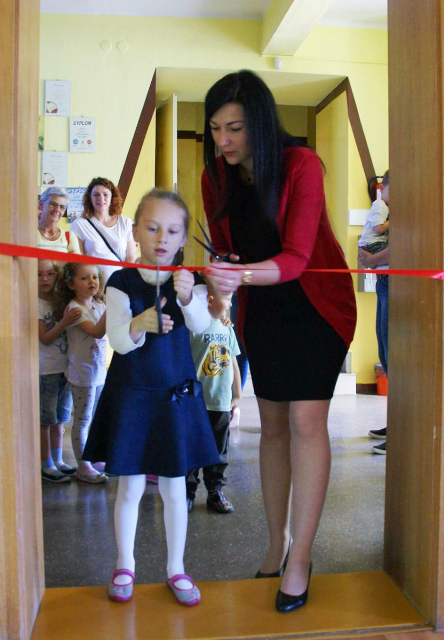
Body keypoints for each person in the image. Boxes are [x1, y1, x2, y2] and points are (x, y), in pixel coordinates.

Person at [201, 70, 357, 613]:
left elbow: (295, 259)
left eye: (235, 128)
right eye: (215, 128)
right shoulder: (216, 177)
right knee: (270, 427)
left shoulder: (301, 164)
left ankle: (301, 558)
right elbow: (224, 248)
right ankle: (276, 543)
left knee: (305, 423)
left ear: (262, 124)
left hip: (315, 306)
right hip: (262, 310)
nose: (223, 140)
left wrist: (235, 275)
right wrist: (220, 271)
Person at [82, 188, 220, 606]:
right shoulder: (121, 281)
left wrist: (187, 296)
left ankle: (176, 568)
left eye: (173, 231)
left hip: (174, 398)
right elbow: (118, 342)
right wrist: (140, 323)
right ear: (136, 231)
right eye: (153, 227)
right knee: (130, 487)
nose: (162, 237)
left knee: (175, 489)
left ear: (183, 239)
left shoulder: (189, 280)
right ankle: (125, 563)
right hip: (133, 396)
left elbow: (200, 325)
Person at [186, 286, 241, 514]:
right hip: (197, 401)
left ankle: (215, 491)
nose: (230, 303)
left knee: (219, 450)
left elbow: (234, 362)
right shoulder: (193, 327)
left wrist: (237, 394)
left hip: (221, 400)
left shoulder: (227, 328)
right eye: (227, 298)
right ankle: (187, 493)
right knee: (191, 447)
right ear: (210, 300)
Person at [55, 263, 108, 482]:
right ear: (71, 284)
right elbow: (97, 332)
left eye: (94, 277)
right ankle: (83, 466)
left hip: (98, 371)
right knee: (83, 420)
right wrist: (114, 308)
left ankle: (92, 457)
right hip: (83, 374)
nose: (92, 282)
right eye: (84, 278)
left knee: (95, 418)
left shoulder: (98, 305)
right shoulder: (74, 310)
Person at [38, 260, 82, 482]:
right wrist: (64, 321)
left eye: (50, 273)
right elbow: (45, 338)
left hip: (64, 369)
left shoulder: (59, 301)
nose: (45, 278)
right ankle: (46, 463)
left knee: (60, 419)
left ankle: (58, 459)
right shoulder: (36, 304)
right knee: (46, 420)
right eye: (39, 274)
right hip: (46, 370)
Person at [70, 177, 137, 283]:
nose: (101, 198)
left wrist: (126, 284)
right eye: (96, 194)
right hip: (92, 286)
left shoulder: (126, 223)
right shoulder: (79, 225)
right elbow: (78, 263)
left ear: (112, 197)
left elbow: (131, 259)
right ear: (90, 198)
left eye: (105, 194)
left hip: (120, 284)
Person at [359, 236, 390, 456]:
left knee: (394, 358)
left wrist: (371, 259)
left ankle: (401, 431)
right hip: (384, 280)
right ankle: (395, 424)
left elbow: (402, 248)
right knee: (385, 356)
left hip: (395, 280)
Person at [38, 187, 81, 253]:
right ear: (41, 205)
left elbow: (76, 260)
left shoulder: (69, 237)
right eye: (53, 204)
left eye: (62, 207)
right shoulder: (29, 234)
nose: (57, 210)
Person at [358, 171, 389, 255]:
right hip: (370, 244)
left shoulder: (385, 206)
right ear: (381, 189)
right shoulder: (380, 205)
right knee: (393, 252)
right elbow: (378, 229)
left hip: (375, 243)